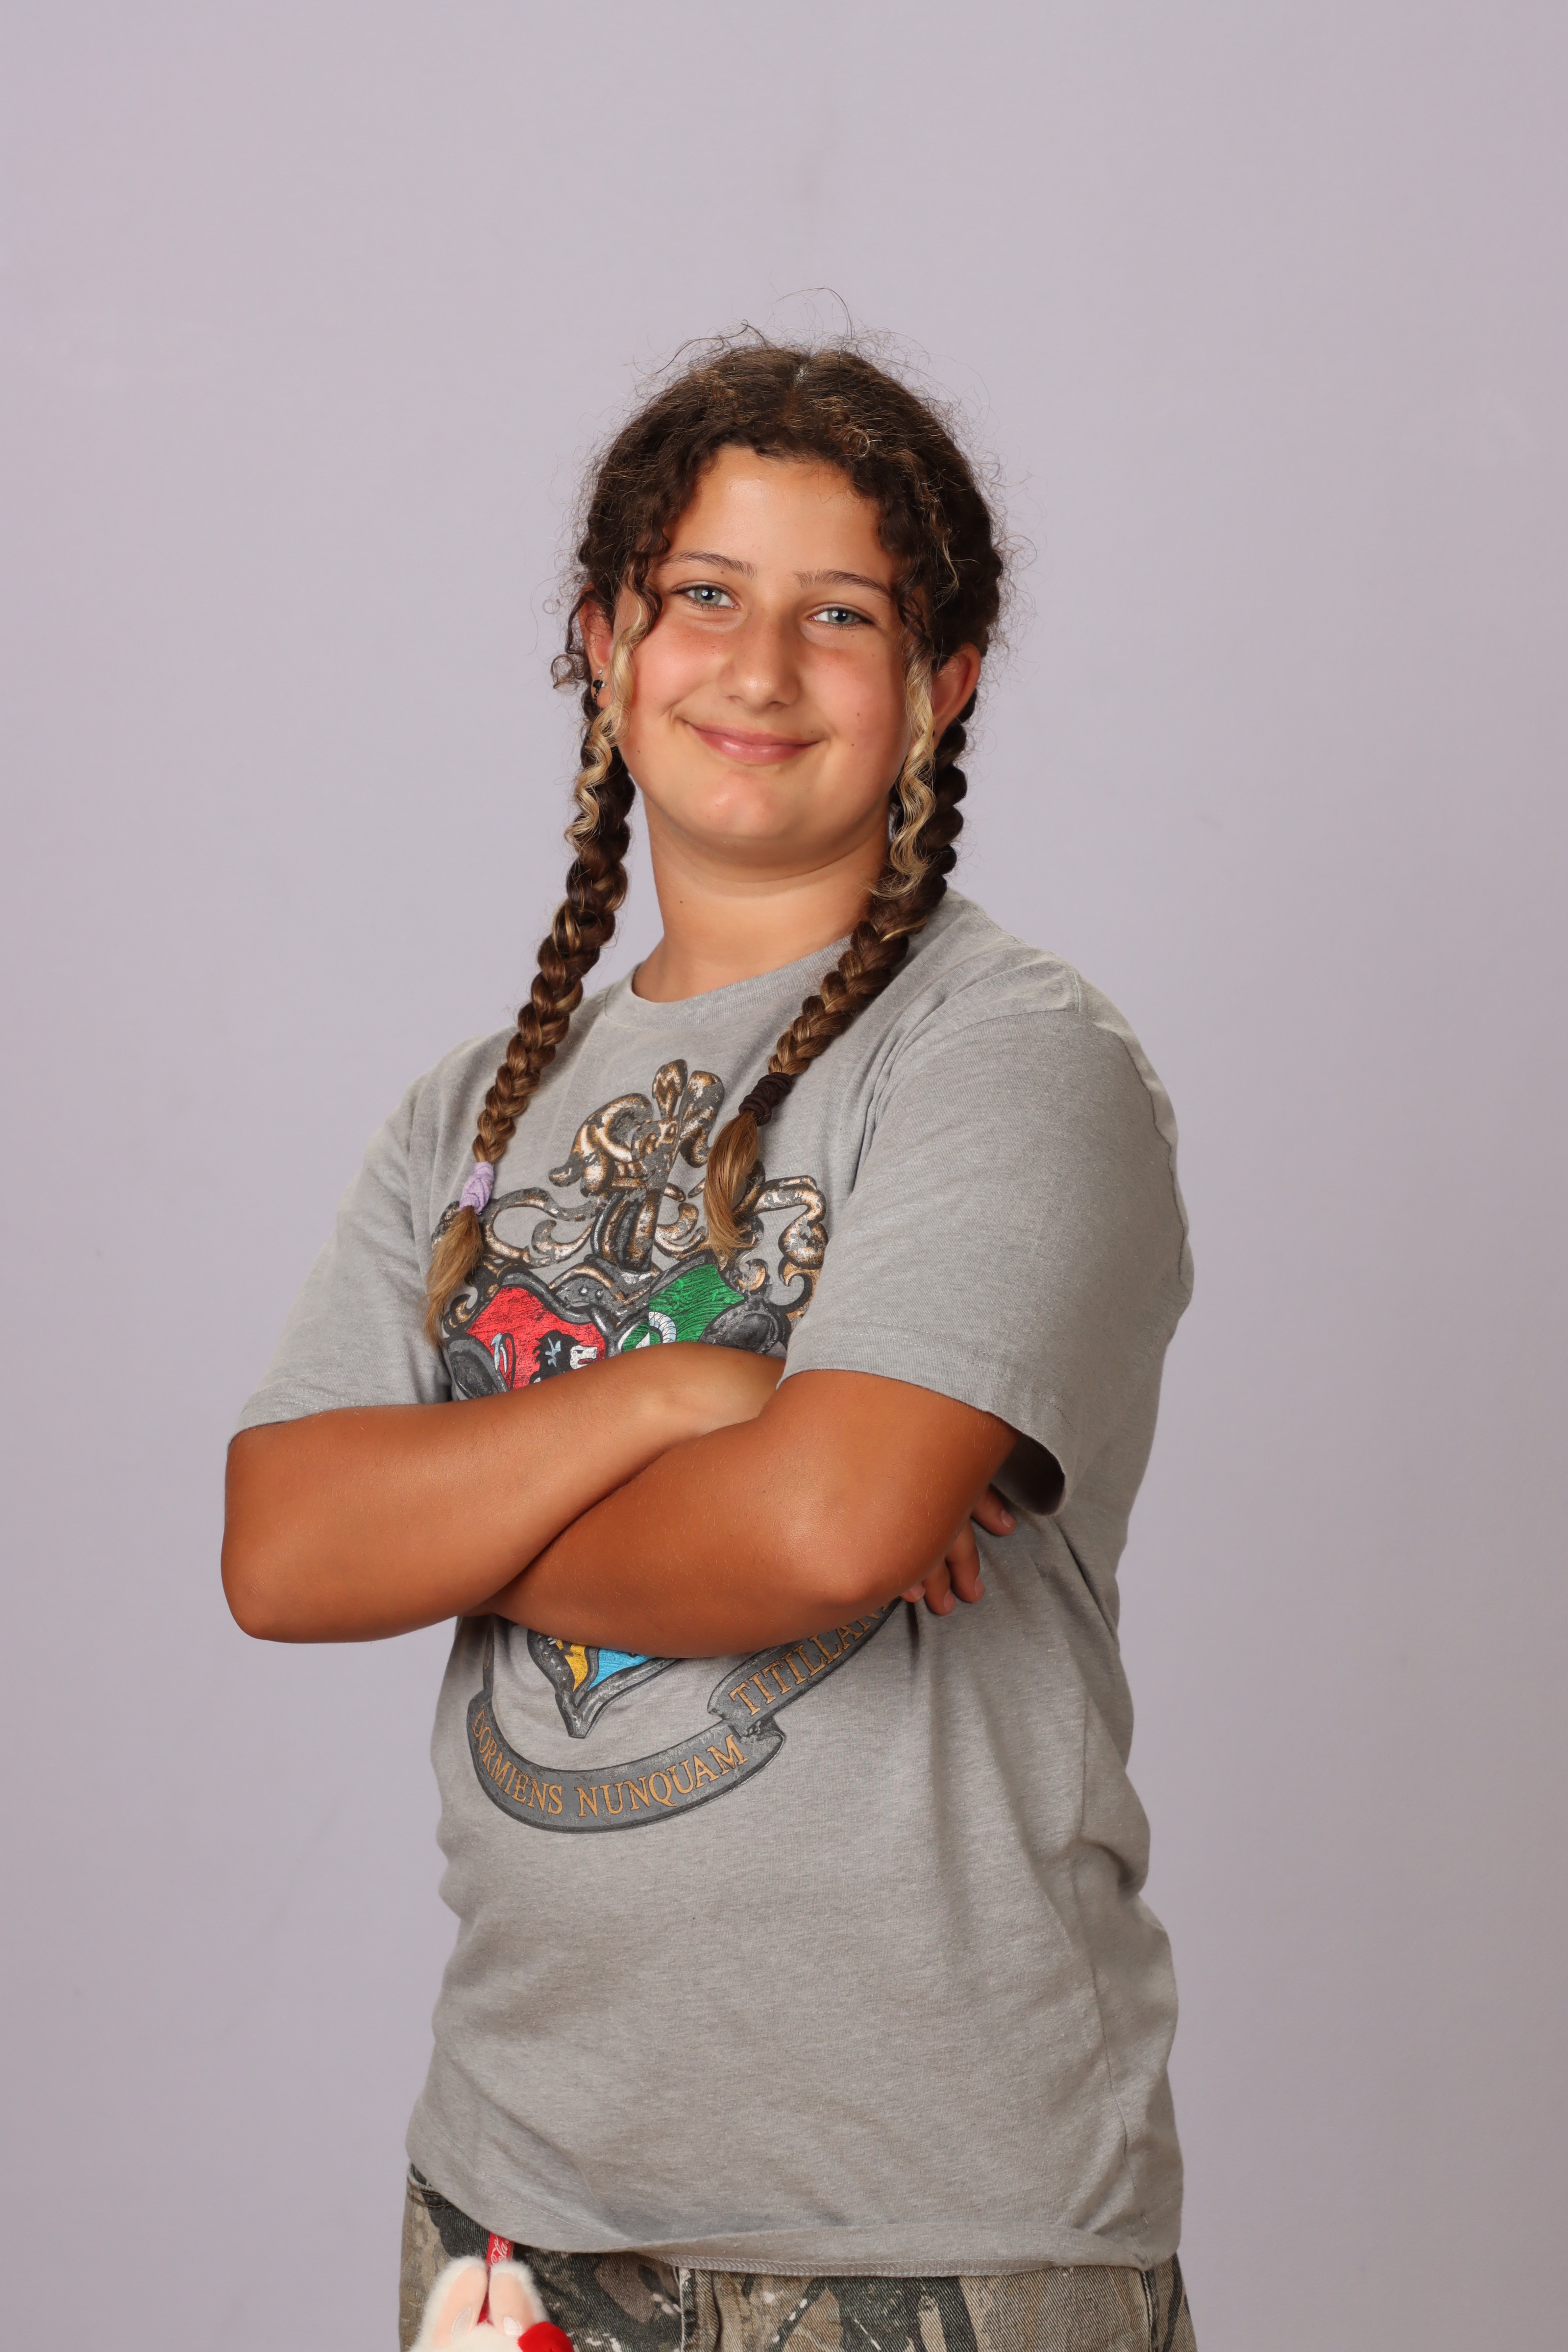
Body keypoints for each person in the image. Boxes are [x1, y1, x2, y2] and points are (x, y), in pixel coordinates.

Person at [223, 338, 1197, 2352]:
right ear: (605, 642)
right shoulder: (469, 1114)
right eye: (704, 594)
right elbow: (282, 1552)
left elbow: (823, 1533)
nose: (758, 668)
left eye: (841, 615)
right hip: (509, 2211)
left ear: (941, 683)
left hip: (925, 2229)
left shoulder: (1011, 1062)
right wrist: (684, 1396)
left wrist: (452, 1519)